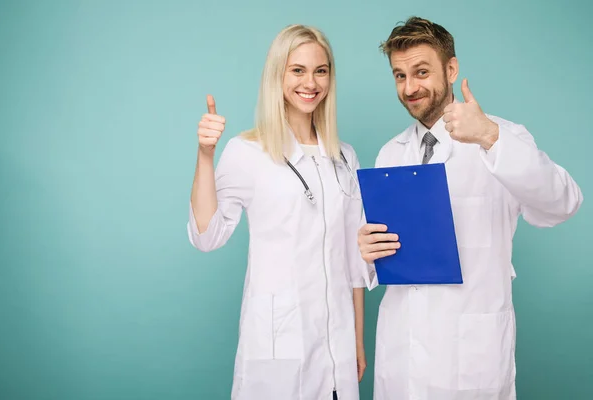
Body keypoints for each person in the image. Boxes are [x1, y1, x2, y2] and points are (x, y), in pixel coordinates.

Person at [357, 16, 583, 400]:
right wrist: (365, 249)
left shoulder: (502, 135)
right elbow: (381, 251)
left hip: (469, 353)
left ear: (451, 68)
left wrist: (490, 138)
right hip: (402, 354)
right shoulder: (389, 153)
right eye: (399, 75)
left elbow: (563, 203)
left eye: (421, 72)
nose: (410, 87)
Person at [187, 24, 368, 400]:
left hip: (336, 348)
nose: (311, 82)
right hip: (277, 346)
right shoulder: (247, 152)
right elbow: (207, 235)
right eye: (297, 70)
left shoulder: (345, 157)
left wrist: (358, 341)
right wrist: (206, 155)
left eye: (321, 70)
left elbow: (354, 258)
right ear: (278, 75)